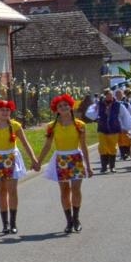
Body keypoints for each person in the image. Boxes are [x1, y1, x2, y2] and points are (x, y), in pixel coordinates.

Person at [34, 93, 92, 233]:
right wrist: (38, 161)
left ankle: (76, 218)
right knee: (65, 191)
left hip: (76, 159)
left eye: (66, 105)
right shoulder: (51, 126)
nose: (64, 107)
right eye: (60, 106)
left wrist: (88, 167)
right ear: (56, 109)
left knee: (76, 189)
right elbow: (47, 145)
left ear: (71, 106)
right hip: (61, 160)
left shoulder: (79, 125)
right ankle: (69, 221)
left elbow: (84, 146)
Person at [0, 99, 39, 234]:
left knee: (12, 190)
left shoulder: (15, 126)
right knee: (1, 191)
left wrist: (34, 159)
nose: (4, 112)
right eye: (1, 110)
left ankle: (13, 223)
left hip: (11, 159)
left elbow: (26, 144)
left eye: (7, 110)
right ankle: (5, 224)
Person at [89, 88, 124, 174]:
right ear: (105, 96)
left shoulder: (118, 104)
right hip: (102, 128)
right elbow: (91, 113)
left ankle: (112, 167)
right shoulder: (100, 104)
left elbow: (123, 115)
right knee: (102, 147)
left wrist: (125, 126)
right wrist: (95, 117)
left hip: (114, 128)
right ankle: (104, 167)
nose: (110, 97)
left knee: (112, 147)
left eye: (111, 95)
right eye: (108, 95)